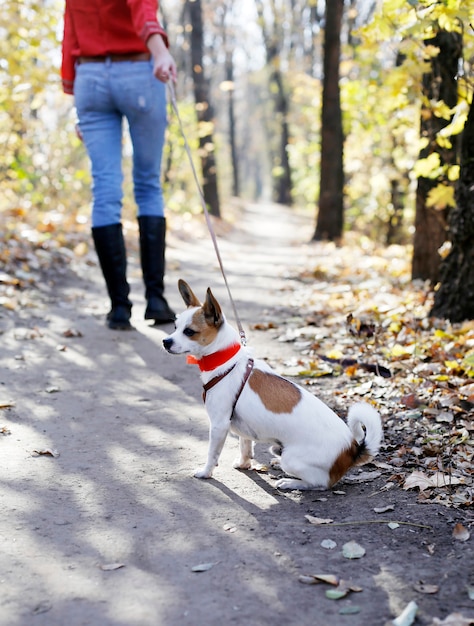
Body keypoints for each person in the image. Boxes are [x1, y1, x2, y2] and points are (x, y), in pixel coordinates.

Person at [61, 0, 177, 329]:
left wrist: (75, 96)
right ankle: (155, 300)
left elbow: (70, 34)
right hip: (139, 70)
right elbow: (142, 8)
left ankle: (119, 307)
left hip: (90, 79)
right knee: (147, 184)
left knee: (106, 191)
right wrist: (160, 51)